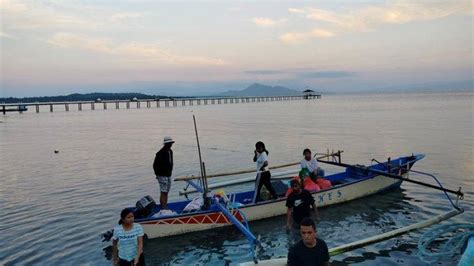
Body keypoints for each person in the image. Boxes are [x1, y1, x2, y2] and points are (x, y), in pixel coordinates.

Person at [153, 136, 174, 209]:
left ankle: (165, 205)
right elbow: (155, 165)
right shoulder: (160, 153)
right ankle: (163, 207)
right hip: (162, 175)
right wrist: (158, 174)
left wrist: (170, 171)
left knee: (167, 191)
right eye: (169, 143)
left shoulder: (170, 151)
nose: (171, 144)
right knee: (163, 192)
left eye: (171, 143)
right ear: (166, 144)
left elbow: (171, 163)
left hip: (168, 174)